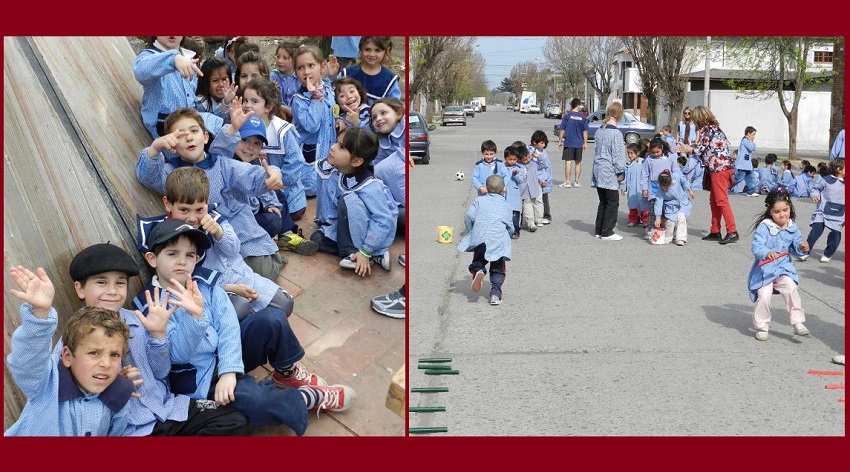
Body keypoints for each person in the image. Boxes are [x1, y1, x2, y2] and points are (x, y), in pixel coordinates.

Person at [134, 220, 355, 434]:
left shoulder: (202, 282)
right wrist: (196, 318)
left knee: (271, 319)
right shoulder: (150, 305)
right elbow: (177, 356)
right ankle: (307, 398)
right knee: (255, 400)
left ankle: (286, 373)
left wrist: (229, 370)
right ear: (153, 259)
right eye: (172, 254)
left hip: (223, 357)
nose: (182, 261)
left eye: (189, 255)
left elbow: (228, 323)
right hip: (199, 379)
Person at [68, 243, 249, 436]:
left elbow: (161, 372)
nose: (112, 291)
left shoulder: (138, 319)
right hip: (132, 428)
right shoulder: (73, 338)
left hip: (168, 408)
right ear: (80, 289)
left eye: (120, 283)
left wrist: (158, 335)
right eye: (101, 282)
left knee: (233, 420)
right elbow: (76, 401)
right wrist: (114, 386)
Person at [135, 105, 286, 282]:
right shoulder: (170, 171)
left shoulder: (221, 164)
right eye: (180, 134)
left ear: (205, 137)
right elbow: (147, 176)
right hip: (201, 238)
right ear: (172, 145)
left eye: (194, 131)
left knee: (260, 271)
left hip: (237, 229)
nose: (189, 137)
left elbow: (249, 174)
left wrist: (273, 173)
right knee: (217, 278)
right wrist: (156, 147)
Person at [5, 265, 134, 436]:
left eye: (114, 355)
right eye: (94, 353)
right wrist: (40, 313)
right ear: (67, 356)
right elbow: (27, 360)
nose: (105, 363)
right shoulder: (47, 383)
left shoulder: (120, 394)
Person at [310, 127, 397, 276]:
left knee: (348, 200)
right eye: (336, 142)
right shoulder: (334, 167)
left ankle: (361, 254)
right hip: (345, 224)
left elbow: (383, 220)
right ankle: (372, 255)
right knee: (316, 238)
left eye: (341, 147)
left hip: (367, 229)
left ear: (356, 161)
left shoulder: (370, 186)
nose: (332, 148)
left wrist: (366, 249)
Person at [236, 78, 307, 222]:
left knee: (281, 211)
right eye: (246, 100)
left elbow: (297, 161)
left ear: (268, 107)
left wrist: (279, 181)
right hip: (258, 190)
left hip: (286, 192)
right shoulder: (240, 124)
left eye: (254, 102)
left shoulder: (281, 130)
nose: (247, 105)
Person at [747, 188, 811, 341]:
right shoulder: (764, 227)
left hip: (784, 267)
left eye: (785, 210)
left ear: (790, 207)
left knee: (791, 288)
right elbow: (757, 246)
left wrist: (801, 248)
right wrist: (766, 252)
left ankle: (798, 322)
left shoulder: (792, 227)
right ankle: (762, 326)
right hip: (765, 270)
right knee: (764, 296)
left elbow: (795, 247)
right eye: (777, 212)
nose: (782, 215)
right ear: (770, 211)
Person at [134, 36, 220, 140]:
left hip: (190, 123)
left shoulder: (190, 58)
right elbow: (141, 71)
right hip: (166, 129)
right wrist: (174, 58)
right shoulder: (149, 56)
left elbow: (193, 101)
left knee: (226, 129)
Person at [676, 105, 738, 245]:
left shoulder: (707, 130)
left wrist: (687, 149)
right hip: (720, 168)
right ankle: (715, 230)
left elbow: (699, 150)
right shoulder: (715, 128)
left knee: (721, 201)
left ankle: (732, 230)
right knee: (715, 201)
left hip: (718, 169)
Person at [457, 174, 514, 306]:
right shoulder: (506, 205)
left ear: (486, 189)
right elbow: (510, 225)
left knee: (478, 260)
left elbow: (469, 216)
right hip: (498, 240)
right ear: (503, 189)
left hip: (481, 238)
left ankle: (479, 270)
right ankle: (495, 294)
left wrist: (472, 231)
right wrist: (508, 235)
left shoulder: (478, 200)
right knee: (498, 268)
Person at [291, 45, 336, 197]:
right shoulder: (299, 99)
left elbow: (333, 111)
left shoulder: (329, 90)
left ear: (322, 66)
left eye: (311, 65)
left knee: (328, 184)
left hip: (328, 148)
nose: (306, 72)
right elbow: (311, 125)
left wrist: (340, 120)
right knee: (312, 187)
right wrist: (316, 99)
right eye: (300, 68)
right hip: (311, 152)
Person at [590, 102, 627, 241]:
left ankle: (599, 229)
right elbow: (617, 155)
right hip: (609, 170)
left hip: (598, 168)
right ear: (619, 114)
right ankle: (607, 231)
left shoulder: (600, 129)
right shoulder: (616, 133)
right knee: (612, 201)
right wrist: (620, 171)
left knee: (603, 201)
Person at [329, 37, 400, 105]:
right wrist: (332, 76)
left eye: (377, 50)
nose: (372, 54)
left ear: (387, 51)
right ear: (360, 48)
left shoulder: (390, 80)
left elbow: (394, 108)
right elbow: (329, 95)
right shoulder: (347, 73)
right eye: (367, 49)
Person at [799, 158, 844, 263]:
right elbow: (815, 188)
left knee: (835, 235)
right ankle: (805, 251)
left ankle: (828, 253)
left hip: (839, 213)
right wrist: (814, 194)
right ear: (839, 169)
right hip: (823, 211)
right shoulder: (826, 180)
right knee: (815, 232)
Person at [652, 169, 693, 246]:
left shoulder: (676, 177)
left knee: (681, 218)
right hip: (670, 206)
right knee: (670, 221)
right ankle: (668, 237)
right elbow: (658, 203)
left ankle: (681, 238)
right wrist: (658, 217)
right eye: (662, 187)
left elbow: (684, 181)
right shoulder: (660, 191)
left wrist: (689, 189)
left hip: (682, 203)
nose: (664, 188)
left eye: (666, 187)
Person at [557, 98, 589, 188]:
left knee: (568, 162)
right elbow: (585, 131)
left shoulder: (567, 116)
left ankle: (567, 182)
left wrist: (560, 141)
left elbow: (562, 129)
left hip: (569, 142)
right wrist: (585, 143)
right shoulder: (583, 117)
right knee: (578, 162)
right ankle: (576, 182)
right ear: (578, 105)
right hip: (579, 143)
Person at [195, 56, 238, 123]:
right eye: (215, 80)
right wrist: (225, 103)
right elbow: (215, 124)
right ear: (205, 82)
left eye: (224, 79)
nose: (221, 84)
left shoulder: (234, 100)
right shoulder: (200, 104)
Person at [515, 142, 544, 232]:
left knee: (538, 203)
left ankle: (539, 219)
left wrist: (538, 157)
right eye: (524, 159)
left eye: (528, 157)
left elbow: (544, 165)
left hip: (535, 187)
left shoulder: (534, 163)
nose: (527, 160)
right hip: (525, 190)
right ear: (519, 160)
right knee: (527, 206)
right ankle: (530, 223)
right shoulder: (518, 166)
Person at [371, 97, 406, 167]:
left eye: (383, 113)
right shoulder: (382, 144)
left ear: (398, 114)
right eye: (374, 117)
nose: (378, 119)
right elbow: (378, 167)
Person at [269, 40, 300, 119]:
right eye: (278, 57)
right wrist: (272, 89)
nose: (280, 61)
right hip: (278, 115)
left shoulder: (299, 77)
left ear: (295, 60)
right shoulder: (273, 76)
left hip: (297, 115)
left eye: (285, 58)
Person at [622, 143, 649, 227]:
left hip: (642, 188)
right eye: (628, 153)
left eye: (631, 153)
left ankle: (645, 221)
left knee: (644, 205)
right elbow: (625, 177)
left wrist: (647, 187)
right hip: (632, 188)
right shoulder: (628, 165)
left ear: (637, 153)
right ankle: (633, 220)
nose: (630, 155)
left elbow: (647, 175)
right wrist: (623, 187)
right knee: (632, 204)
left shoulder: (643, 163)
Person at [529, 130, 553, 224]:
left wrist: (545, 179)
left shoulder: (543, 152)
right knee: (535, 199)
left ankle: (546, 215)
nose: (543, 145)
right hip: (536, 179)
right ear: (535, 142)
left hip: (544, 178)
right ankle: (536, 216)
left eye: (544, 143)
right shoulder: (531, 151)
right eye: (541, 143)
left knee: (544, 198)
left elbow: (546, 167)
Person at [503, 145, 525, 239]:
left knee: (515, 215)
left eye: (514, 159)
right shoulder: (502, 167)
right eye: (510, 159)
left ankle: (516, 230)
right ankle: (506, 231)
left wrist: (515, 175)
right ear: (505, 158)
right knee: (505, 215)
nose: (512, 161)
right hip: (504, 195)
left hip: (514, 196)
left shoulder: (518, 169)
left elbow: (520, 180)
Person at [733, 126, 759, 196]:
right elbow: (751, 148)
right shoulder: (745, 141)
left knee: (751, 178)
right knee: (738, 178)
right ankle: (725, 187)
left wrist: (752, 142)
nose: (754, 136)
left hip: (747, 165)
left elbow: (754, 148)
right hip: (743, 164)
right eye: (753, 134)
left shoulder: (749, 141)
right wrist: (751, 141)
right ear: (748, 133)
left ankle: (751, 191)